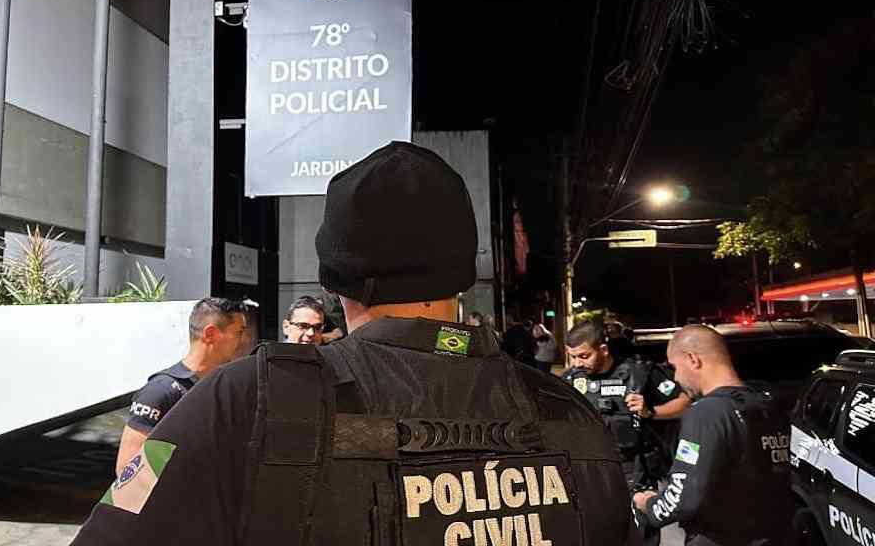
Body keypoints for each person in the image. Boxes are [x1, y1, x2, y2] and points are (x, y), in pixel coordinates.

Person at [73, 141, 637, 545]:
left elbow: (117, 523)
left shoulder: (242, 399)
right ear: (463, 275)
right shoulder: (568, 412)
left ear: (333, 280)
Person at [633, 325, 792, 545]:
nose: (676, 377)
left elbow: (684, 496)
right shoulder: (768, 406)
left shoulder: (706, 414)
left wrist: (649, 505)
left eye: (674, 367)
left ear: (693, 359)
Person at [561, 318, 690, 546]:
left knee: (638, 536)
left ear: (603, 350)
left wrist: (651, 412)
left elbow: (684, 402)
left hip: (634, 471)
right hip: (590, 472)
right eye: (573, 357)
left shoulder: (639, 373)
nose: (577, 363)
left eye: (584, 356)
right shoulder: (571, 380)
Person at [113, 297, 246, 475]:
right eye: (239, 332)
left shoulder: (225, 390)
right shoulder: (161, 391)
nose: (245, 340)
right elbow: (127, 470)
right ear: (210, 334)